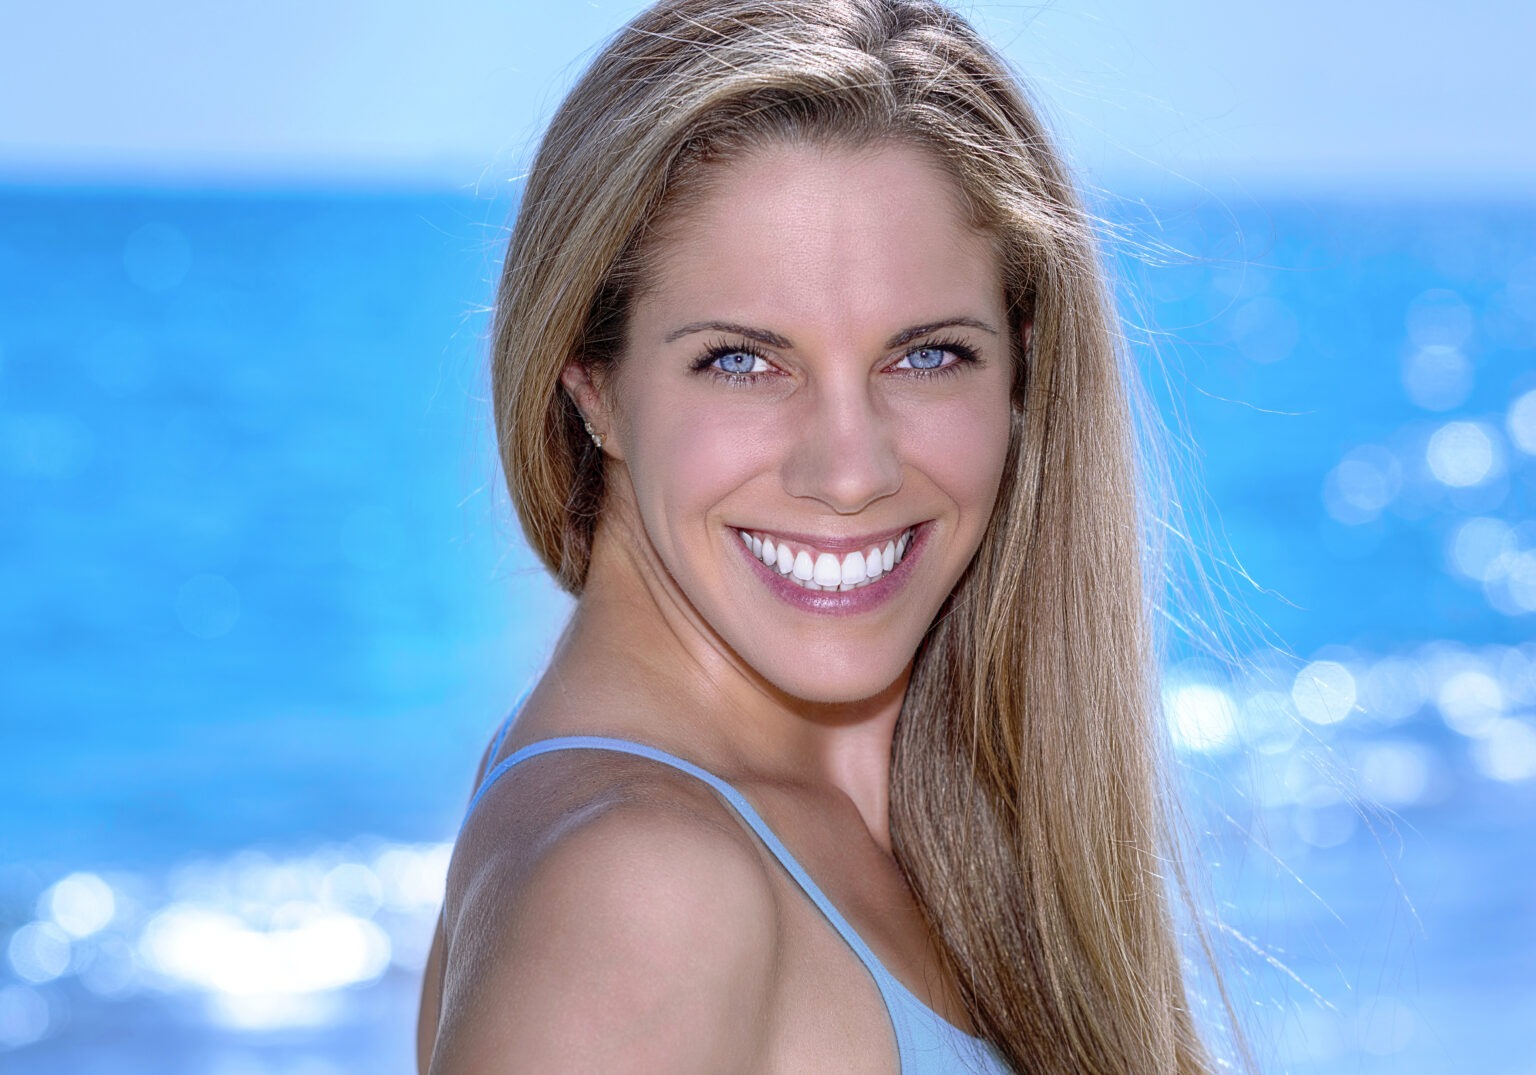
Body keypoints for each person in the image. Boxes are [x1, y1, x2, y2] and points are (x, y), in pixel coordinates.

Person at [419, 1, 1241, 1071]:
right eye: (743, 361)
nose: (851, 470)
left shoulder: (874, 811)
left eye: (929, 355)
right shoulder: (642, 896)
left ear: (1023, 373)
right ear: (593, 384)